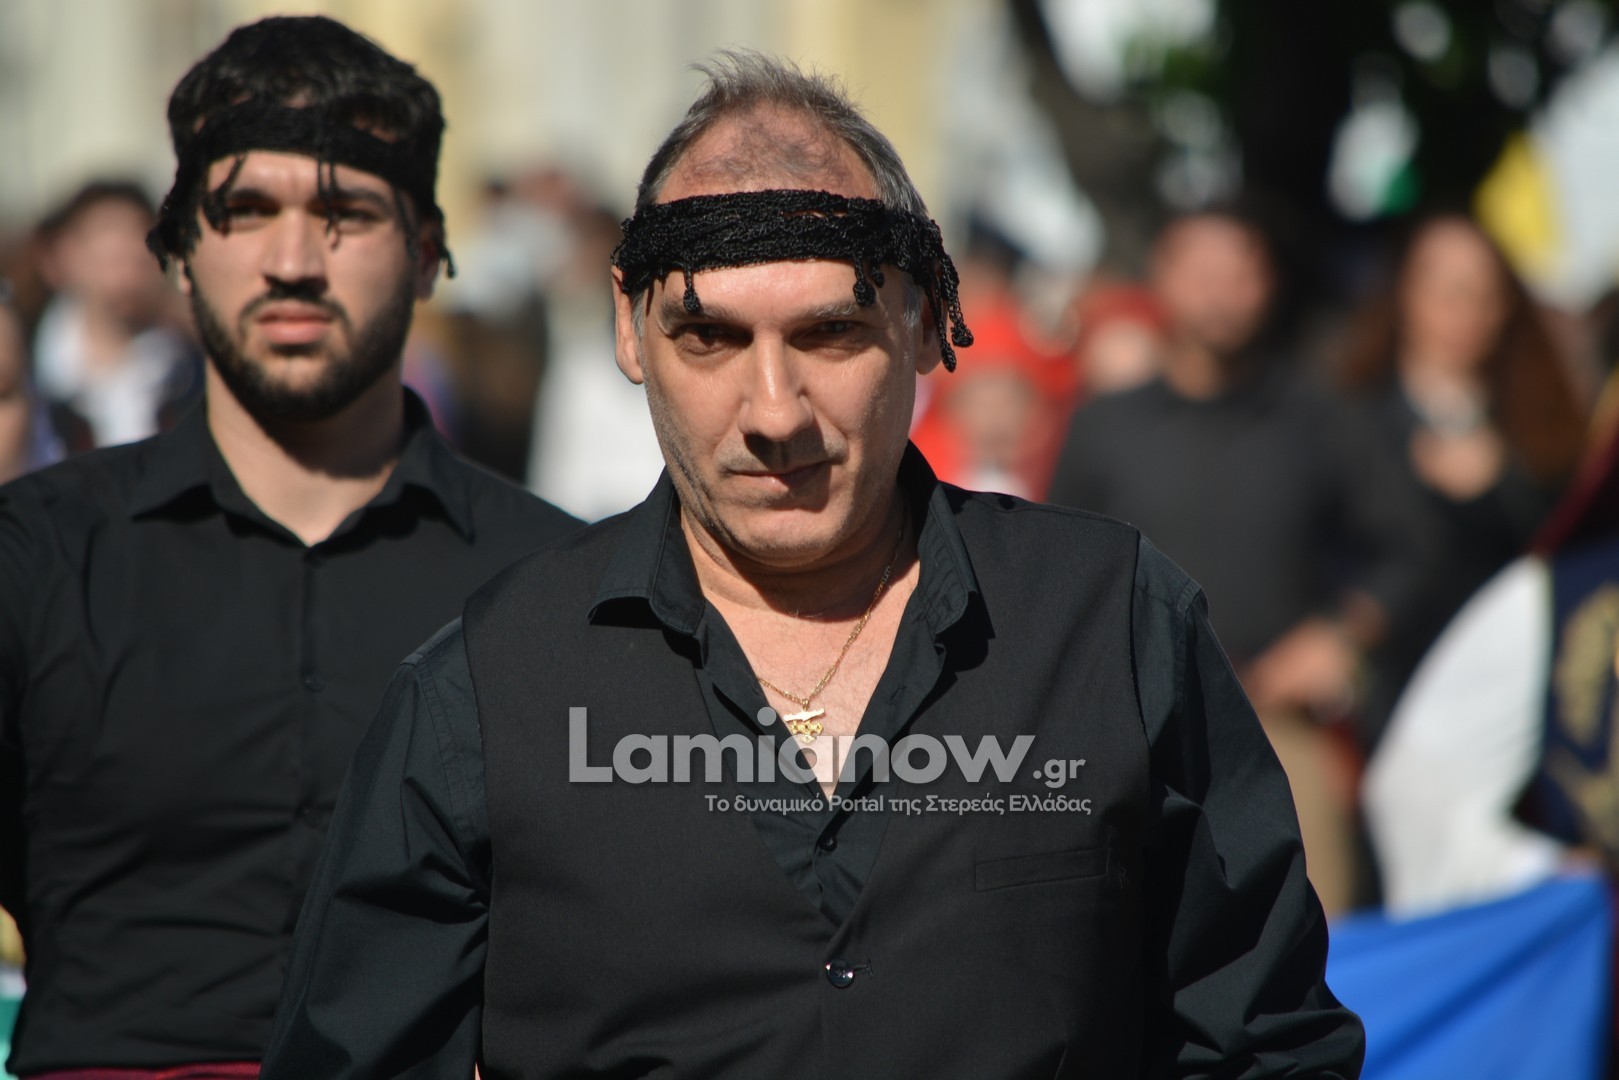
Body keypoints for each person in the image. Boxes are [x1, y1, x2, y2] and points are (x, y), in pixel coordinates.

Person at [262, 52, 1363, 1077]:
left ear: (926, 325)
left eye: (829, 334)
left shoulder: (1108, 624)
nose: (773, 412)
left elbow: (1264, 1042)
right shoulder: (490, 683)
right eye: (709, 339)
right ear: (630, 333)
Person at [0, 17, 579, 1076]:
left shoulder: (553, 588)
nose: (291, 263)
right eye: (246, 210)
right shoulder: (33, 558)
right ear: (180, 250)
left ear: (426, 253)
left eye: (344, 212)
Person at [1047, 209, 1433, 913]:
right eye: (1201, 273)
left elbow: (1407, 555)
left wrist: (1340, 638)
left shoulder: (1321, 418)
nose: (1220, 295)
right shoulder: (1103, 424)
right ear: (1161, 277)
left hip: (1278, 731)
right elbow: (1051, 577)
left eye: (1240, 274)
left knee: (1310, 936)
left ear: (1269, 284)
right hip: (1127, 735)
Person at [1336, 213, 1587, 741]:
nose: (1462, 308)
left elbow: (1571, 546)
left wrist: (1505, 478)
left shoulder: (1544, 421)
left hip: (1514, 702)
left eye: (1482, 291)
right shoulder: (1347, 416)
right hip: (1387, 706)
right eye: (1445, 287)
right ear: (1403, 293)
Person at [32, 180, 200, 451]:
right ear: (61, 258)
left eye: (138, 241)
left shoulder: (193, 369)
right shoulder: (26, 376)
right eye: (110, 255)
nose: (126, 270)